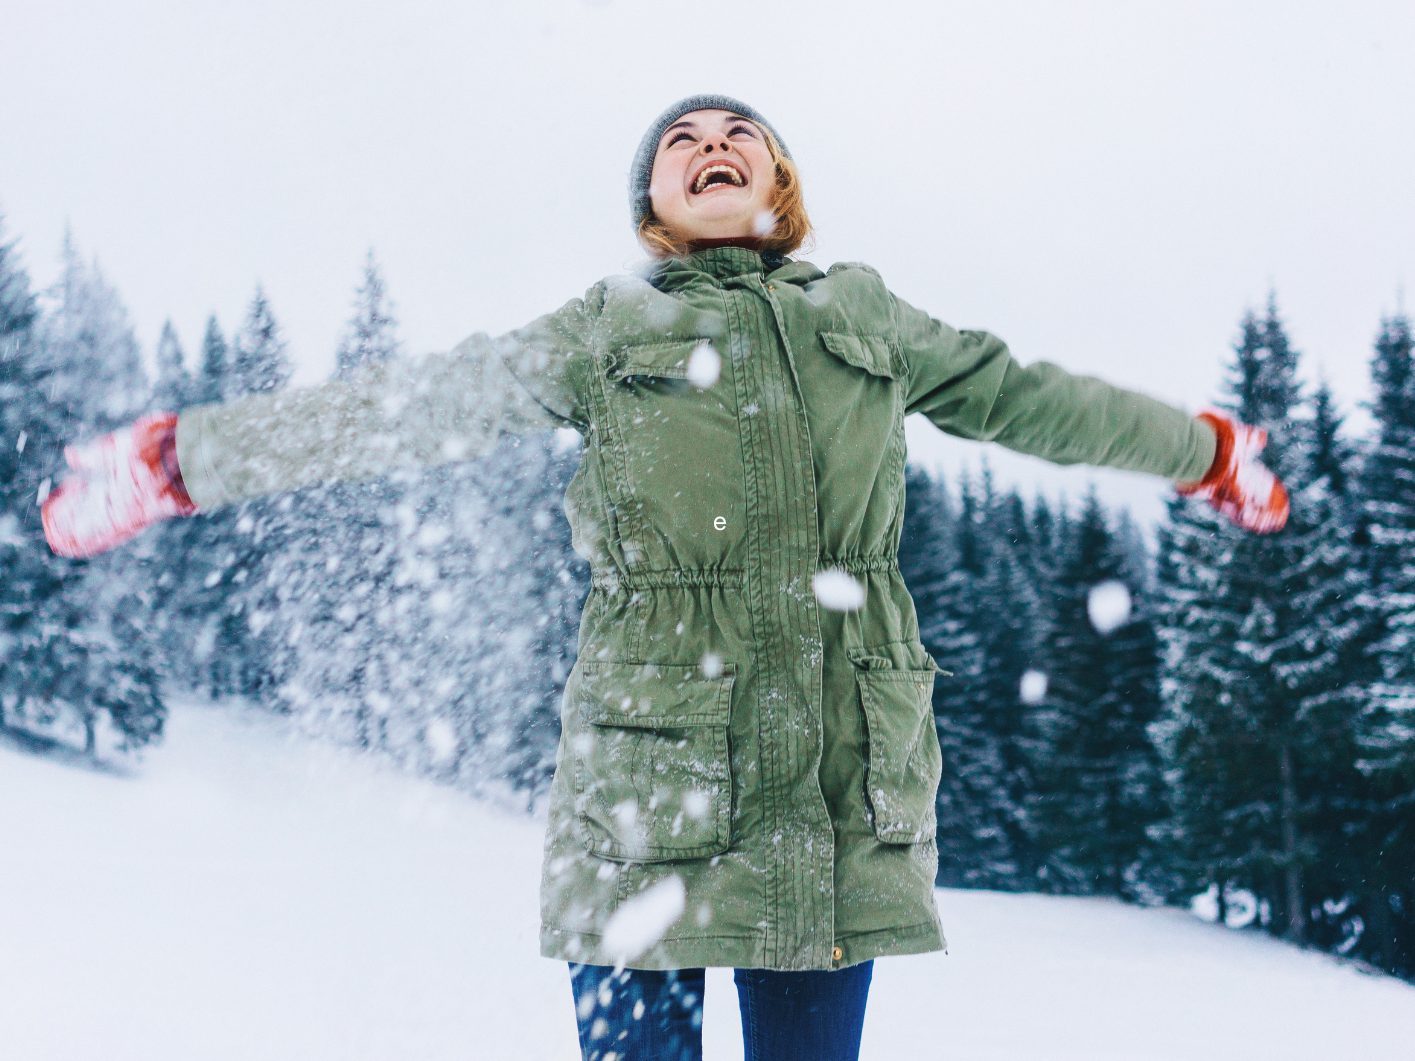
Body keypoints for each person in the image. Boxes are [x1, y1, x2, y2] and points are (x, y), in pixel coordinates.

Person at [41, 94, 1289, 1061]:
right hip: (647, 773)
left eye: (739, 133)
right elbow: (415, 406)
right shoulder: (607, 326)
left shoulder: (863, 312)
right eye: (680, 140)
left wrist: (1208, 451)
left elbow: (1033, 400)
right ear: (652, 201)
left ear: (778, 183)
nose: (711, 144)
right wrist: (183, 461)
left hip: (835, 779)